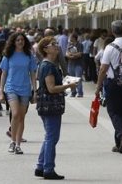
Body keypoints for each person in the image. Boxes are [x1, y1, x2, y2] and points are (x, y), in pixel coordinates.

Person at [34, 36, 78, 180]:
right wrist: (69, 85)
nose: (57, 46)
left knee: (49, 136)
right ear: (45, 49)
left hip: (47, 104)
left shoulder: (48, 64)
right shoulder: (48, 66)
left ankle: (41, 166)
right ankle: (48, 168)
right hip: (50, 104)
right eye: (53, 44)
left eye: (56, 43)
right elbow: (51, 88)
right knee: (52, 137)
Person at [95, 20, 122, 154]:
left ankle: (121, 135)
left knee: (114, 111)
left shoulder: (110, 47)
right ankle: (120, 143)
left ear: (112, 31)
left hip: (113, 83)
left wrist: (98, 87)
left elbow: (103, 69)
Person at [0, 32, 38, 155]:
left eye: (22, 40)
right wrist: (1, 92)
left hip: (25, 89)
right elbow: (3, 74)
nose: (20, 42)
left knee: (21, 117)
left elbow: (33, 74)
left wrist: (35, 91)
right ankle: (12, 141)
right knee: (15, 114)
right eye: (17, 40)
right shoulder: (8, 56)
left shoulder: (29, 56)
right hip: (11, 88)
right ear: (13, 42)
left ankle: (18, 144)